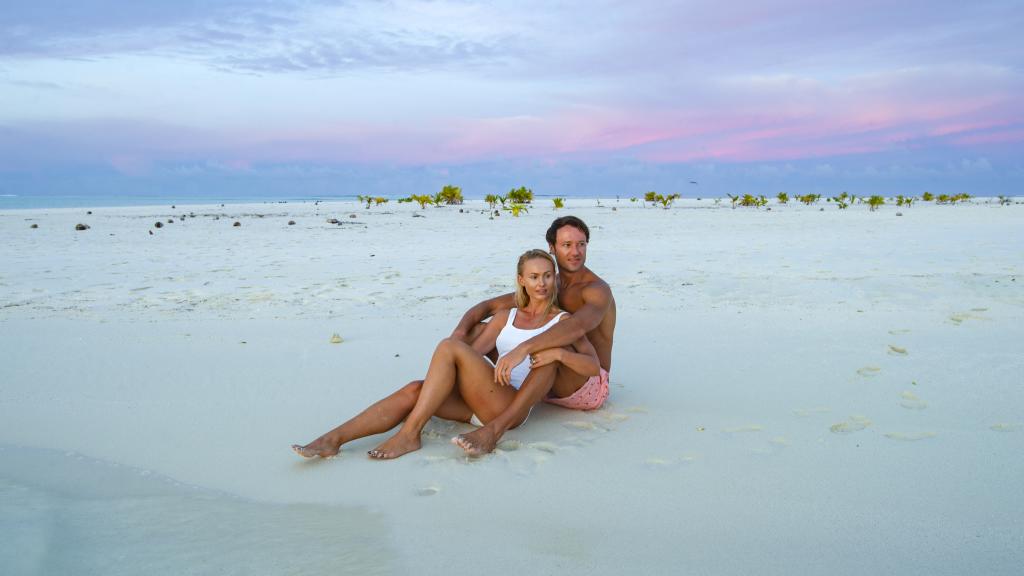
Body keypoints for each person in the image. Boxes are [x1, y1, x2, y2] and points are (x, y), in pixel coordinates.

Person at [292, 249, 600, 460]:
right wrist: (437, 387)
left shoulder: (562, 321)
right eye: (534, 277)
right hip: (481, 398)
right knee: (417, 388)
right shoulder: (505, 316)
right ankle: (334, 440)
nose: (542, 284)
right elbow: (469, 357)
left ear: (554, 279)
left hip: (509, 406)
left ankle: (411, 433)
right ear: (521, 280)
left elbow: (591, 366)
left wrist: (558, 353)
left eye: (547, 276)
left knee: (449, 346)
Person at [450, 215, 616, 456]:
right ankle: (464, 387)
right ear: (552, 247)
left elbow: (576, 327)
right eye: (567, 245)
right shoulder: (548, 284)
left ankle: (495, 429)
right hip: (547, 382)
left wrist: (523, 349)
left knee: (549, 350)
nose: (575, 252)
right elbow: (486, 307)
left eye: (581, 244)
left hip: (586, 379)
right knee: (483, 329)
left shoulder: (597, 290)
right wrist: (459, 334)